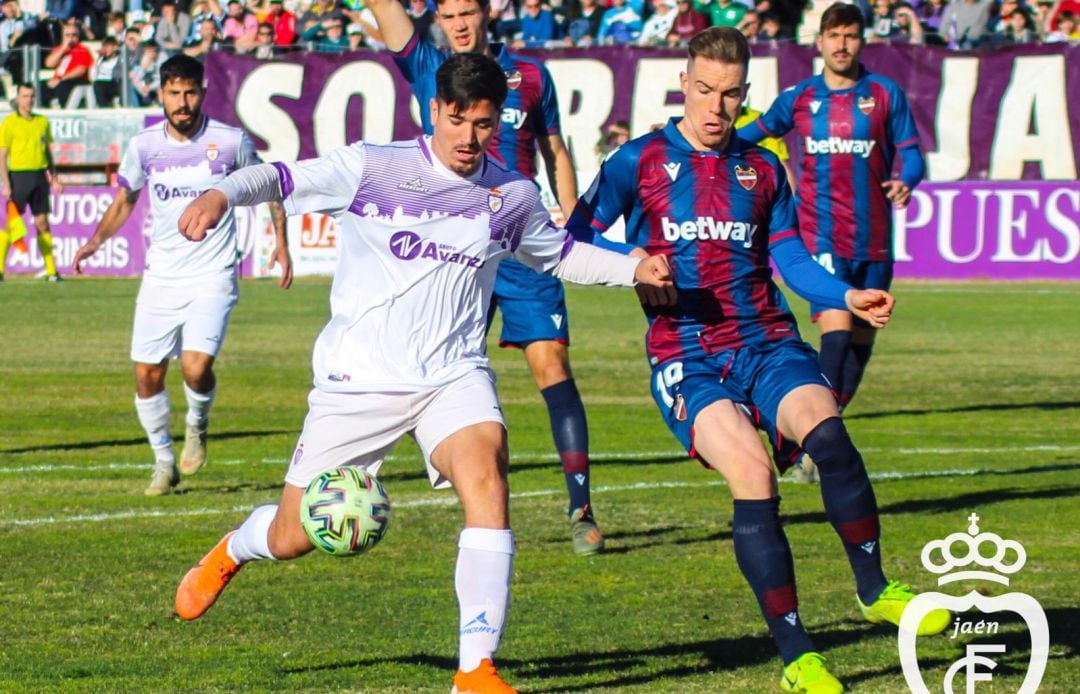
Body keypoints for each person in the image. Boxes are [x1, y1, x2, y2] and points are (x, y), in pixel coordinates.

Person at [170, 53, 674, 694]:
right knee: (293, 536)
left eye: (484, 124)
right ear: (433, 110)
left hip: (452, 376)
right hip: (358, 382)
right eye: (457, 119)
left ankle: (475, 671)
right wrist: (220, 193)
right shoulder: (371, 165)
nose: (468, 137)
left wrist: (634, 267)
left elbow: (562, 256)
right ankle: (235, 549)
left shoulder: (511, 197)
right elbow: (276, 176)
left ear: (498, 123)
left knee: (488, 472)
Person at [566, 27, 949, 693]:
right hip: (687, 353)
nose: (716, 107)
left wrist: (846, 293)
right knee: (753, 474)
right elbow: (574, 235)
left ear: (746, 95)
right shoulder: (640, 161)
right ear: (684, 83)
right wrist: (630, 262)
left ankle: (873, 587)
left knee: (829, 434)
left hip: (767, 340)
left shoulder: (763, 166)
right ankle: (799, 656)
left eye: (731, 94)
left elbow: (791, 257)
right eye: (706, 90)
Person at [368, 0, 606, 556]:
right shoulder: (430, 67)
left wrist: (570, 214)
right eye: (448, 14)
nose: (459, 22)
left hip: (520, 244)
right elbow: (386, 12)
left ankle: (582, 509)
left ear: (486, 12)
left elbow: (553, 149)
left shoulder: (530, 76)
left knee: (552, 365)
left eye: (467, 10)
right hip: (454, 250)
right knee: (425, 363)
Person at [70, 55, 292, 496]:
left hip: (213, 272)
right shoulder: (145, 146)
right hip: (161, 277)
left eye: (190, 92)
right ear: (161, 95)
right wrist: (96, 241)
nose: (182, 102)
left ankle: (197, 422)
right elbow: (125, 200)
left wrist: (280, 242)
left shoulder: (230, 142)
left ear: (203, 93)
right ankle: (163, 463)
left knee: (195, 367)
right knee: (146, 375)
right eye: (174, 93)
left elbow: (268, 185)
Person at [739, 3, 926, 484]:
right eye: (834, 35)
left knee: (859, 350)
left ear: (862, 41)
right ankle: (815, 441)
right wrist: (694, 141)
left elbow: (911, 154)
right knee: (837, 339)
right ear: (818, 42)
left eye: (851, 36)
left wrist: (906, 180)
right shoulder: (799, 98)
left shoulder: (884, 95)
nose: (842, 44)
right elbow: (749, 135)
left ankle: (813, 441)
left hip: (875, 243)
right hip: (821, 238)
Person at [0, 83, 61, 282]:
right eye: (25, 96)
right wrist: (6, 183)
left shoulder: (42, 122)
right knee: (12, 224)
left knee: (42, 222)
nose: (29, 100)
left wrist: (54, 176)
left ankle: (51, 271)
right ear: (18, 98)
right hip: (18, 176)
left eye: (32, 96)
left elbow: (47, 152)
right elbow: (2, 155)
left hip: (39, 177)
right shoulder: (9, 123)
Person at [40, 20, 92, 107]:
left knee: (63, 86)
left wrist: (62, 79)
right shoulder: (59, 49)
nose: (71, 38)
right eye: (68, 35)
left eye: (74, 35)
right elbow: (49, 64)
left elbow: (81, 69)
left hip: (74, 80)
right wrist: (62, 50)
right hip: (58, 79)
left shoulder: (82, 50)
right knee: (40, 85)